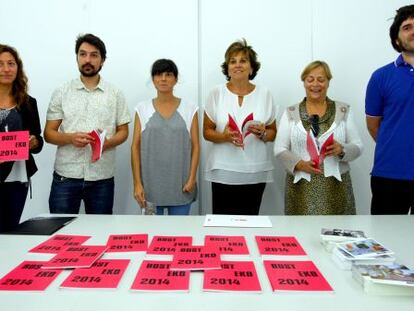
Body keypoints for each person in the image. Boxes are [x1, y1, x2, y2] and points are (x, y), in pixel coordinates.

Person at [44, 34, 130, 215]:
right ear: (76, 57)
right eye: (83, 54)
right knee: (60, 233)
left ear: (103, 60)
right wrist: (70, 137)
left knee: (100, 233)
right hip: (65, 176)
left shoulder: (115, 94)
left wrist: (108, 143)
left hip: (102, 178)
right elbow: (49, 134)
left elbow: (123, 131)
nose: (88, 60)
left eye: (94, 55)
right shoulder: (61, 92)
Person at [274, 61, 362, 215]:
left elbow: (358, 145)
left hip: (337, 189)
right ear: (304, 82)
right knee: (300, 233)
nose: (315, 84)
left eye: (321, 79)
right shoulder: (290, 112)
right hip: (300, 189)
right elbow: (279, 149)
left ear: (328, 82)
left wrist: (342, 150)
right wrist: (299, 164)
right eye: (310, 79)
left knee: (338, 235)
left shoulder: (343, 110)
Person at [203, 39, 277, 215]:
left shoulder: (265, 93)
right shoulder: (216, 93)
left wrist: (263, 133)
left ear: (252, 68)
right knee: (222, 226)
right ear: (227, 68)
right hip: (223, 170)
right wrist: (225, 137)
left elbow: (273, 132)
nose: (237, 65)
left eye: (243, 60)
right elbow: (206, 132)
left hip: (255, 171)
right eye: (232, 61)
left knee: (250, 222)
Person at [131, 59, 199, 215]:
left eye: (168, 74)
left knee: (179, 235)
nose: (163, 79)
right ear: (153, 79)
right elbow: (135, 146)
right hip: (150, 189)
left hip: (182, 186)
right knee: (152, 235)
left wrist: (192, 178)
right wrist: (137, 184)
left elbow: (196, 146)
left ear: (176, 79)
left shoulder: (190, 108)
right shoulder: (142, 108)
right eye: (158, 74)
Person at [365, 5, 414, 215]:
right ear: (396, 39)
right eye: (407, 27)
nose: (413, 31)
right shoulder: (380, 77)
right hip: (390, 176)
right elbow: (374, 127)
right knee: (385, 242)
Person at [0, 44, 43, 231]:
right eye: (0, 64)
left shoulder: (28, 102)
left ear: (18, 68)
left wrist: (33, 142)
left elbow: (39, 142)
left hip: (18, 179)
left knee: (10, 232)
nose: (6, 69)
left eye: (11, 63)